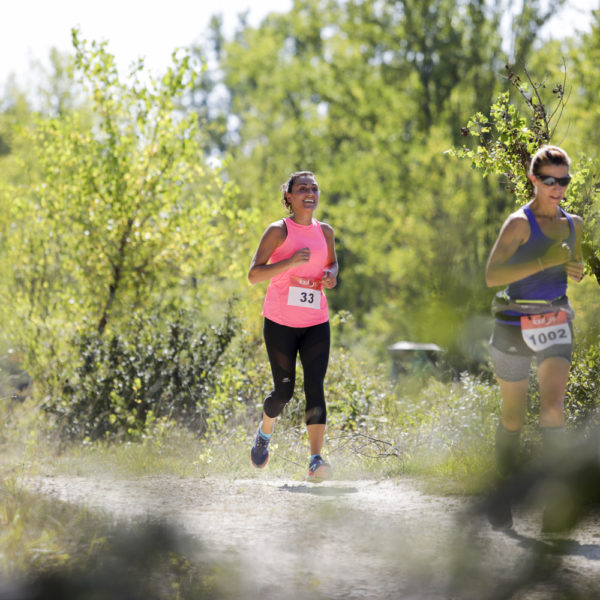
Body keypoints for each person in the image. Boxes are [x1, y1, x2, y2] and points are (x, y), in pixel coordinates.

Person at [485, 145, 585, 529]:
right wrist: (545, 261)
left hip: (555, 319)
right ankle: (502, 497)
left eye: (564, 181)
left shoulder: (573, 223)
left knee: (553, 409)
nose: (558, 188)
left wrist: (572, 269)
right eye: (550, 181)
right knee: (513, 418)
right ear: (533, 180)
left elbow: (568, 264)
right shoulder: (518, 223)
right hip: (512, 322)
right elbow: (492, 277)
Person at [248, 171, 338, 481]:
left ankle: (315, 459)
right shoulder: (278, 231)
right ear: (289, 196)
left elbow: (332, 264)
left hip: (316, 321)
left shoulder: (325, 231)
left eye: (314, 187)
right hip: (280, 322)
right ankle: (265, 432)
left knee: (315, 386)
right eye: (302, 188)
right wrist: (289, 263)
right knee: (283, 392)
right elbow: (254, 275)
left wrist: (332, 275)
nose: (309, 192)